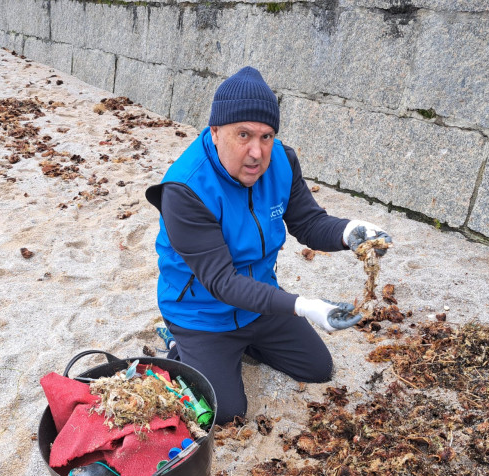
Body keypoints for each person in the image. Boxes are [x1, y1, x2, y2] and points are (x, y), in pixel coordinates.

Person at [145, 66, 392, 424]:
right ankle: (178, 345)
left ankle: (242, 345)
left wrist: (351, 231)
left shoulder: (282, 162)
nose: (257, 152)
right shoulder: (185, 189)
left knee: (317, 368)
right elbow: (222, 283)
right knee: (228, 413)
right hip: (201, 314)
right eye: (243, 135)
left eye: (266, 136)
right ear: (215, 131)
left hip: (259, 301)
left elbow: (308, 223)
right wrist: (303, 305)